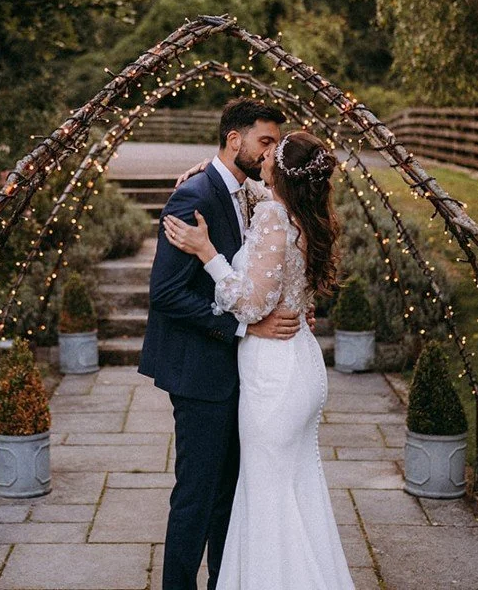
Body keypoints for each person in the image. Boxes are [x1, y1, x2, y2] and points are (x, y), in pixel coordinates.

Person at [163, 128, 354, 590]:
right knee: (297, 489)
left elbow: (249, 304)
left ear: (282, 171)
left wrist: (208, 253)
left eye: (273, 150)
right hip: (301, 363)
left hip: (274, 373)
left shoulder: (273, 215)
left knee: (267, 496)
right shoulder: (304, 213)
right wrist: (208, 171)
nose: (264, 155)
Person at [138, 98, 312, 590]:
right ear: (234, 139)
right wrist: (243, 329)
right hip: (200, 372)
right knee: (197, 492)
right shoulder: (193, 196)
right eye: (265, 141)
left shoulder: (248, 191)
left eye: (277, 144)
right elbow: (166, 293)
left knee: (227, 493)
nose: (271, 153)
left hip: (238, 373)